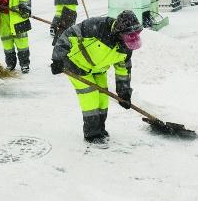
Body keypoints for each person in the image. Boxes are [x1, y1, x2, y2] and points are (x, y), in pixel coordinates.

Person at [50, 10, 141, 148]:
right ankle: (92, 134)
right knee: (90, 98)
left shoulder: (127, 45)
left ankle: (100, 130)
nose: (132, 39)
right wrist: (57, 59)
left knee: (103, 98)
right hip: (77, 65)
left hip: (99, 69)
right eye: (129, 36)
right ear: (119, 32)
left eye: (134, 35)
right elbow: (67, 35)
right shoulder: (97, 27)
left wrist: (124, 93)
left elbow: (123, 70)